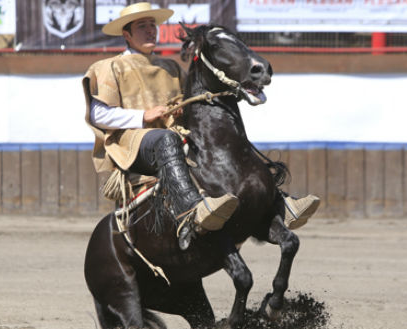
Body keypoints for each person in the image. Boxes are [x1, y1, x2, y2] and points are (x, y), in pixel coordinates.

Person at [82, 2, 319, 248]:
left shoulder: (170, 67)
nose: (150, 31)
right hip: (133, 143)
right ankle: (190, 211)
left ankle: (278, 202)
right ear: (127, 34)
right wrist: (143, 116)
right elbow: (98, 114)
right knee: (166, 139)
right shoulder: (108, 67)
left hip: (175, 136)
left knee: (224, 138)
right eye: (142, 26)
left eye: (152, 25)